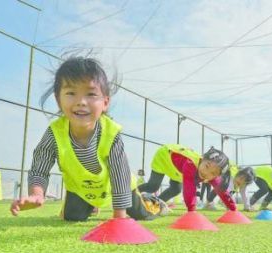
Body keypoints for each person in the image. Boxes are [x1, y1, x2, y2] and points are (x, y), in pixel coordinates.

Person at [10, 56, 164, 221]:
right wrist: (36, 195)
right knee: (72, 217)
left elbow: (120, 174)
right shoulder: (55, 133)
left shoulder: (111, 133)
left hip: (120, 187)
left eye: (90, 94)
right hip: (81, 189)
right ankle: (91, 205)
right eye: (70, 93)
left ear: (105, 102)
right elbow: (40, 167)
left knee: (142, 214)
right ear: (58, 100)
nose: (81, 102)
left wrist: (119, 217)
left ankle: (156, 202)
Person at [138, 144, 238, 213]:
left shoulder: (211, 174)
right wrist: (192, 210)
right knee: (153, 186)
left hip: (178, 170)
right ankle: (131, 191)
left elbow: (222, 191)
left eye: (212, 173)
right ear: (202, 159)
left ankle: (156, 205)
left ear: (216, 176)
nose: (206, 172)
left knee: (176, 189)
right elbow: (189, 189)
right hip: (165, 157)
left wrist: (233, 209)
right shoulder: (191, 164)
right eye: (206, 166)